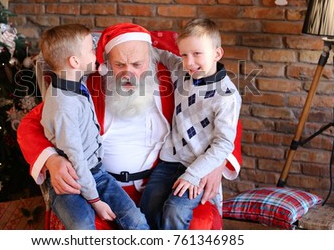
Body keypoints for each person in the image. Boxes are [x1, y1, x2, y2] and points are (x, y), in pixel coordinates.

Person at [17, 22, 242, 230]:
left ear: (151, 59)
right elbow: (30, 124)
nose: (129, 73)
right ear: (105, 63)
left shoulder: (173, 77)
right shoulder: (87, 85)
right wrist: (52, 159)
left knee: (198, 223)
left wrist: (218, 162)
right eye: (119, 64)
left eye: (137, 64)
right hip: (104, 188)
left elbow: (224, 116)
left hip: (167, 183)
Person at [38, 24, 149, 229]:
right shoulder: (63, 106)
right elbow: (76, 157)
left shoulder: (73, 79)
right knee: (83, 227)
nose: (96, 53)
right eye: (91, 49)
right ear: (74, 61)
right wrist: (95, 201)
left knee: (137, 222)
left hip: (97, 172)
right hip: (74, 176)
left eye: (136, 63)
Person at [140, 18, 241, 229]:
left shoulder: (227, 96)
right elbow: (163, 55)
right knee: (148, 206)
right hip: (170, 160)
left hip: (199, 167)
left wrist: (194, 175)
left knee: (175, 211)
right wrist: (139, 43)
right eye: (184, 54)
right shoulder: (183, 71)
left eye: (197, 54)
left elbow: (224, 144)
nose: (189, 62)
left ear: (217, 53)